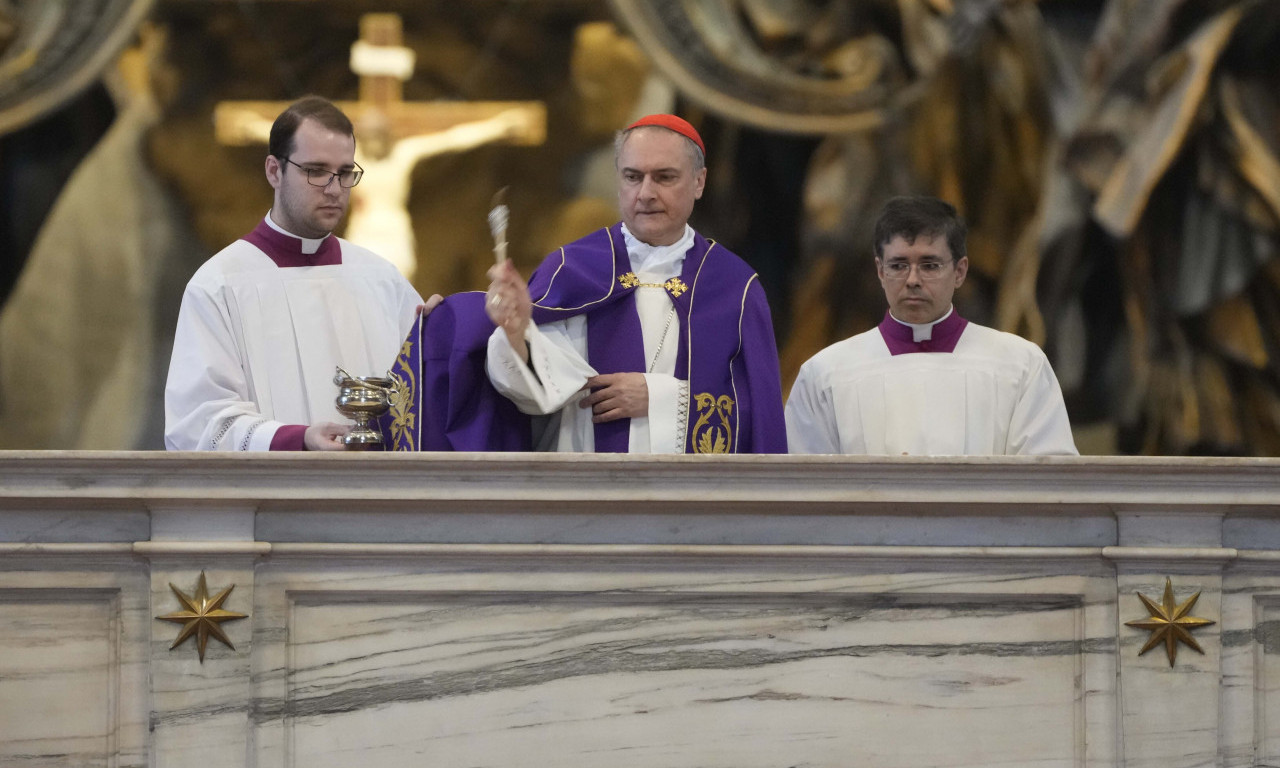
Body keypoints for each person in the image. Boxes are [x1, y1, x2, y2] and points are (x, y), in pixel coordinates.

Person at [483, 114, 786, 453]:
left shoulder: (734, 287)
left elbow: (760, 417)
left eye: (664, 177)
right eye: (633, 177)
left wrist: (659, 399)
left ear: (699, 182)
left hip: (690, 498)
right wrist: (515, 333)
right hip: (585, 491)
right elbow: (533, 393)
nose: (645, 193)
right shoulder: (571, 269)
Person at [165, 96, 437, 451]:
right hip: (278, 499)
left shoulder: (381, 279)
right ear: (274, 171)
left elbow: (421, 398)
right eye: (316, 171)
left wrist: (437, 334)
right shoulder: (220, 284)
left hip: (374, 496)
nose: (334, 189)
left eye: (344, 173)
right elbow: (197, 423)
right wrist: (298, 440)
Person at [786, 196, 1077, 455]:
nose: (913, 280)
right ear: (880, 271)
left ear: (960, 271)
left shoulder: (1020, 366)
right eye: (899, 265)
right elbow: (805, 494)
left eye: (929, 265)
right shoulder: (824, 376)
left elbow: (1050, 487)